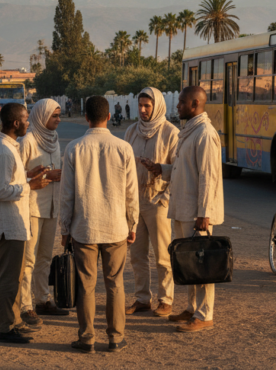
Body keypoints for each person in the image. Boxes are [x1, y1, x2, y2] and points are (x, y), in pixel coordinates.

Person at [59, 96, 139, 354]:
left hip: (84, 229)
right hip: (116, 228)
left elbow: (67, 194)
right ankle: (116, 337)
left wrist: (64, 229)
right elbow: (131, 192)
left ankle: (87, 338)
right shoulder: (123, 148)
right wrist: (132, 223)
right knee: (115, 283)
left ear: (86, 117)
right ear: (108, 116)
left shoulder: (74, 148)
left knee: (86, 285)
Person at [144, 86, 224, 333]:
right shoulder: (189, 131)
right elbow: (183, 168)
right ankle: (191, 308)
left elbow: (208, 177)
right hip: (183, 207)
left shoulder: (205, 134)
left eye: (181, 102)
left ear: (195, 104)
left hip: (197, 213)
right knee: (188, 262)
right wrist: (161, 169)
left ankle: (205, 314)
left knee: (202, 264)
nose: (177, 106)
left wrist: (204, 213)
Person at [0, 102, 48, 344]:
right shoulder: (2, 151)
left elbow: (10, 179)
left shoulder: (9, 147)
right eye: (26, 119)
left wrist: (28, 175)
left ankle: (14, 322)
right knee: (8, 280)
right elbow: (0, 190)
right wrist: (30, 186)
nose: (28, 123)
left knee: (14, 279)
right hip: (7, 226)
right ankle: (5, 328)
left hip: (14, 224)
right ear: (16, 123)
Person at [123, 87, 178, 317]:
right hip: (136, 203)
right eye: (141, 105)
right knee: (137, 255)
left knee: (163, 256)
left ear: (158, 106)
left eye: (148, 106)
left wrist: (160, 173)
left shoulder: (171, 133)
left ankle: (166, 300)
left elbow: (178, 170)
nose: (143, 110)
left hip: (159, 201)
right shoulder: (131, 132)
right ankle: (142, 298)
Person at [18, 99, 68, 322]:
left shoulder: (55, 140)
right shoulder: (27, 141)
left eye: (59, 115)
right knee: (29, 258)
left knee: (45, 257)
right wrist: (47, 176)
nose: (58, 119)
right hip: (31, 207)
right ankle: (26, 305)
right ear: (41, 116)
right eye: (54, 116)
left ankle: (43, 299)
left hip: (51, 207)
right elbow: (17, 175)